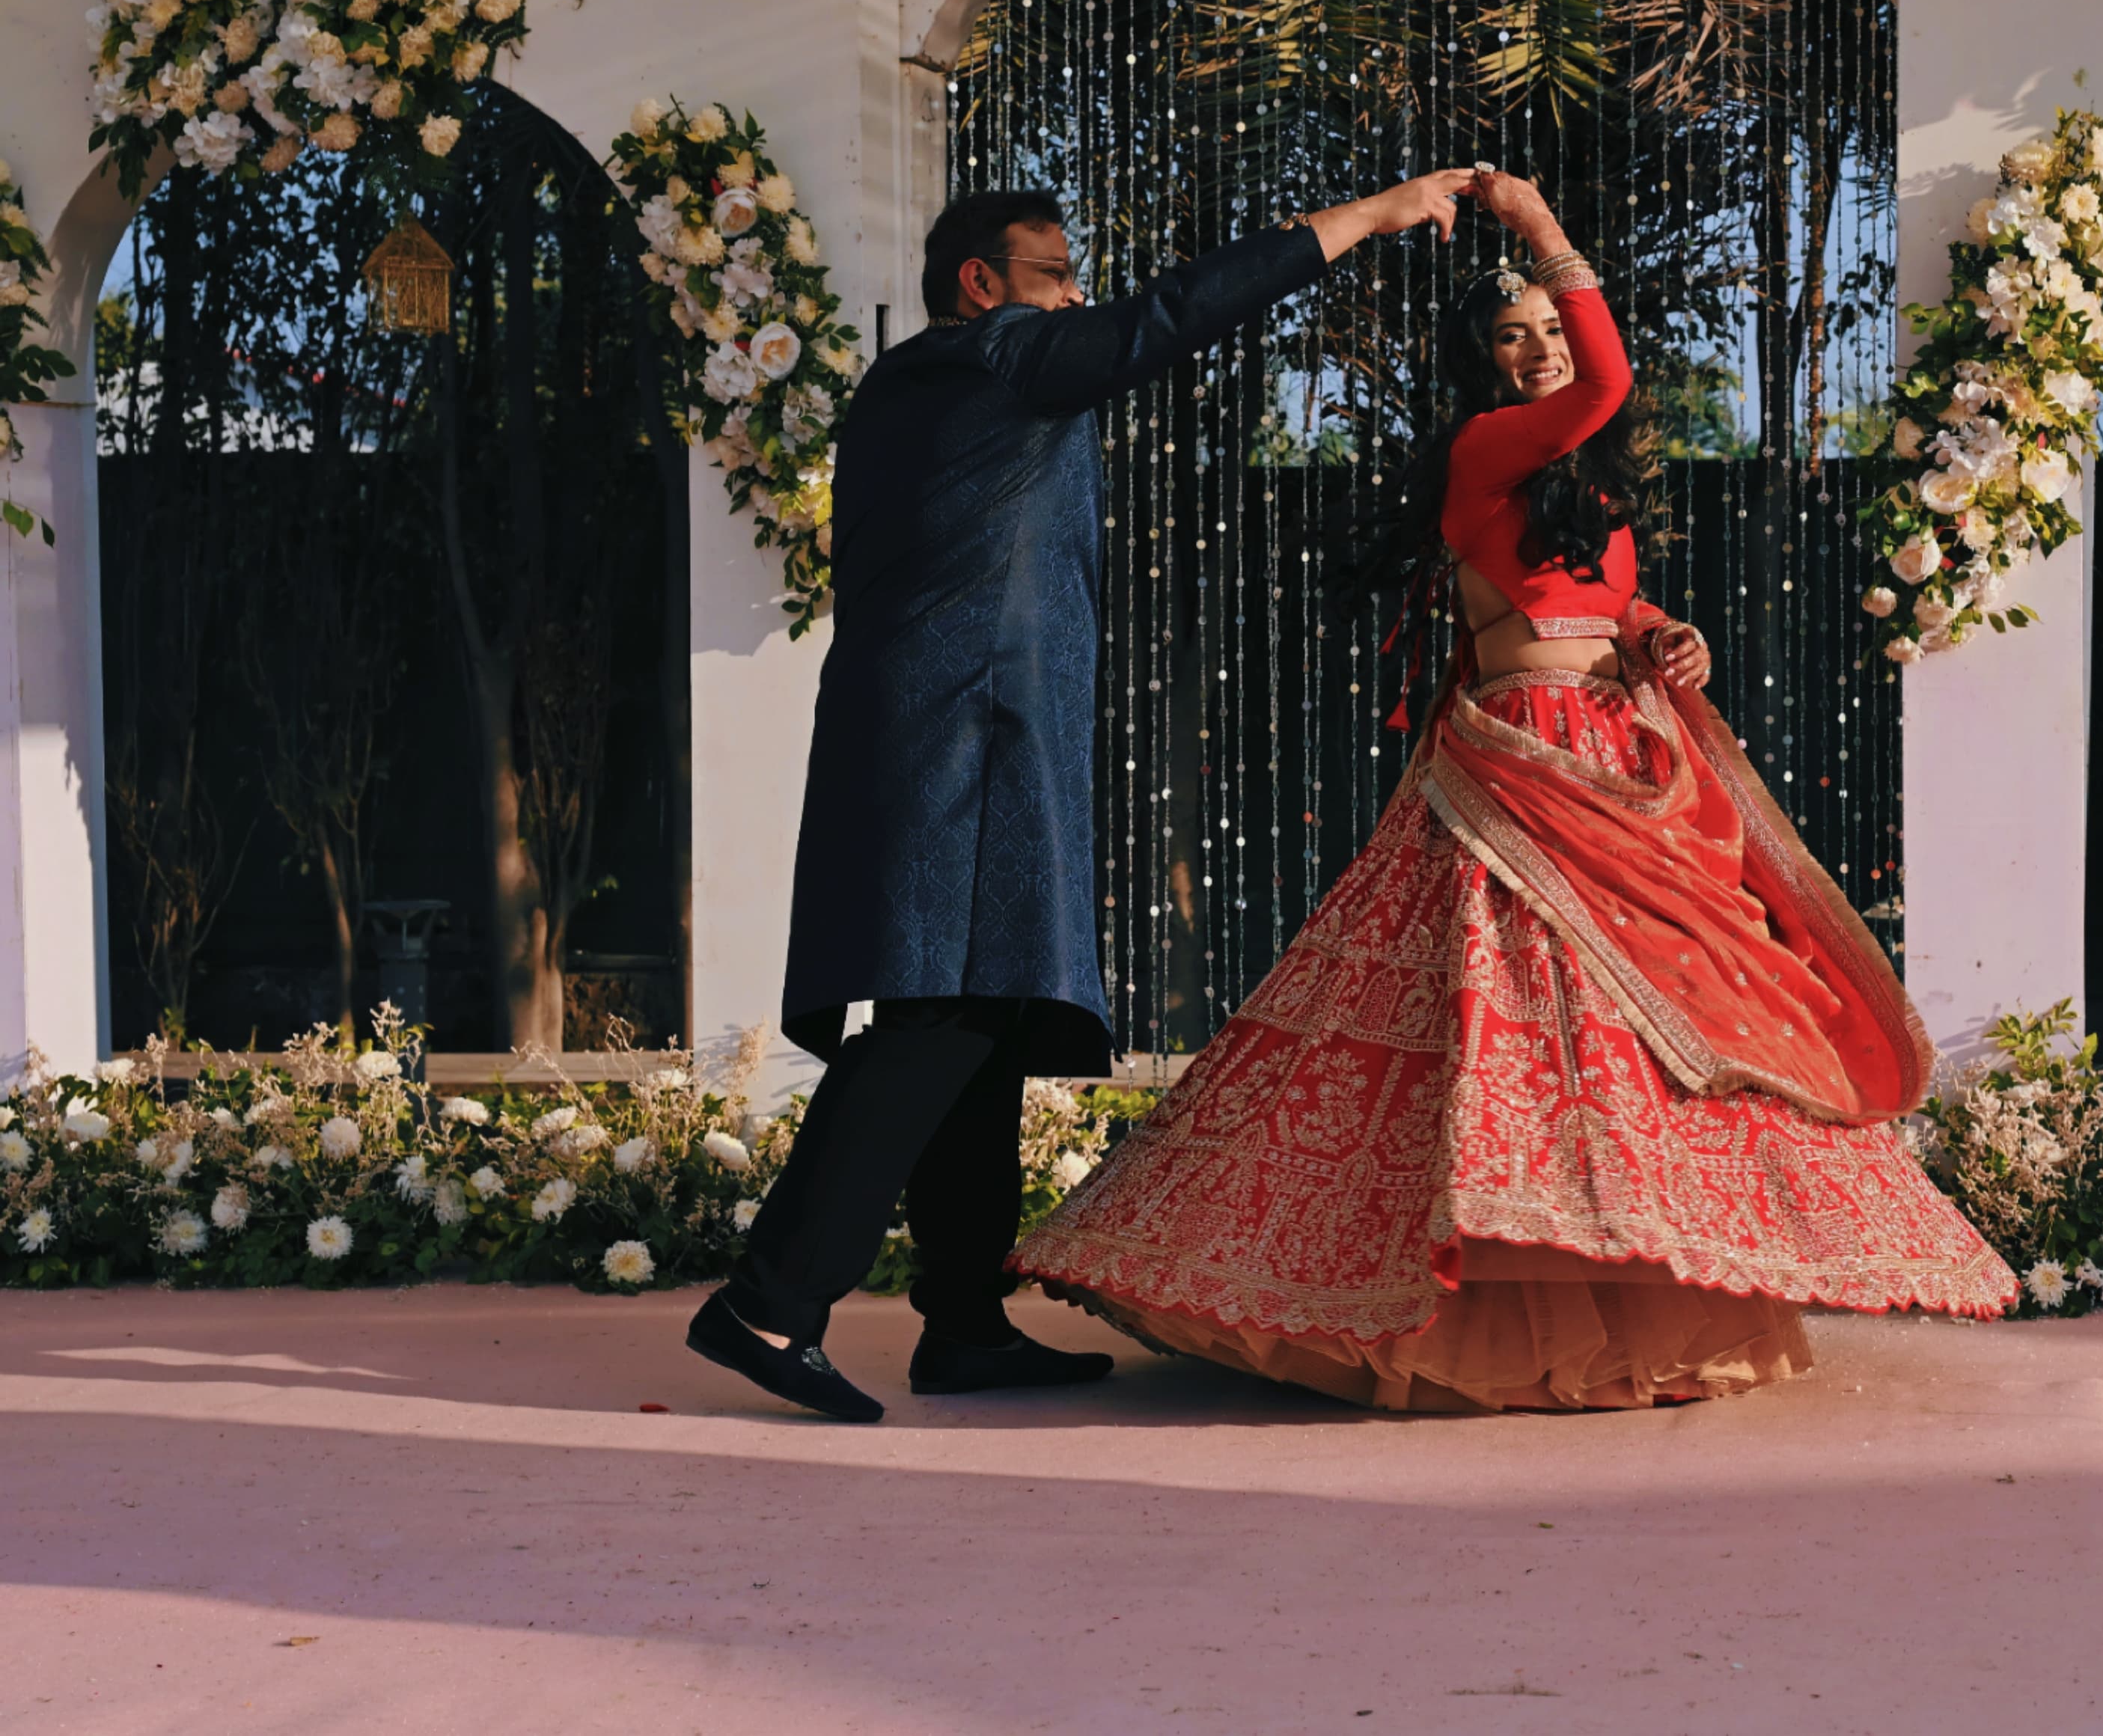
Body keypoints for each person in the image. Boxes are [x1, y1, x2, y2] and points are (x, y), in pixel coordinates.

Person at [1013, 171, 2018, 1410]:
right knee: (1511, 1029)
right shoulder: (1485, 451)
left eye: (1550, 327)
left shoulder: (1578, 489)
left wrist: (1664, 635)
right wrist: (1544, 233)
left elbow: (1595, 602)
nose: (1542, 352)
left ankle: (1639, 1273)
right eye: (1515, 335)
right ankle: (1450, 1298)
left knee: (1639, 1038)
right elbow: (1607, 388)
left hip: (1619, 754)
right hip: (1526, 768)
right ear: (1481, 364)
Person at [692, 170, 1481, 1422]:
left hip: (962, 730)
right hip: (967, 737)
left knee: (983, 1019)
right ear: (982, 284)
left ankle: (961, 1325)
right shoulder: (991, 358)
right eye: (1057, 276)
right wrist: (1368, 220)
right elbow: (1171, 316)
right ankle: (768, 1303)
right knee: (937, 1024)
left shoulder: (931, 386)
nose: (1077, 297)